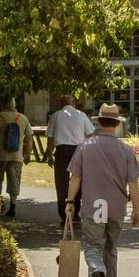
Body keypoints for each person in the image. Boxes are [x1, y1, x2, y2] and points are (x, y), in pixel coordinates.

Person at [65, 103, 139, 277]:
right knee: (111, 247)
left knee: (93, 245)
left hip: (94, 205)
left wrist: (70, 201)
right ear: (116, 124)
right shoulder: (126, 150)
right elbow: (133, 182)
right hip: (116, 206)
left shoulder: (86, 146)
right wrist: (137, 210)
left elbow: (75, 178)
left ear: (98, 123)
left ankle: (97, 269)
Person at [45, 94, 95, 222]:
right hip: (78, 149)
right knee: (77, 180)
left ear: (61, 103)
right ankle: (75, 211)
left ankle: (64, 213)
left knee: (61, 182)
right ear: (74, 103)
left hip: (62, 150)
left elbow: (50, 137)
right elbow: (90, 134)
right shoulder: (81, 115)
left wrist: (49, 154)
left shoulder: (55, 116)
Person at [0, 98, 33, 218]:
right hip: (16, 157)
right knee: (14, 181)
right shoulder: (23, 118)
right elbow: (28, 139)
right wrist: (27, 154)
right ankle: (13, 205)